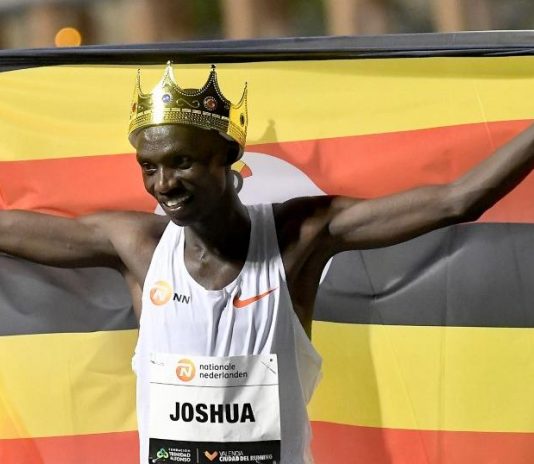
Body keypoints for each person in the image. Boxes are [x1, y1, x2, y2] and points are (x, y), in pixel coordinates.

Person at [2, 62, 534, 464]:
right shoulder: (137, 246)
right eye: (149, 166)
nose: (163, 184)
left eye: (181, 162)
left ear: (228, 157)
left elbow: (458, 200)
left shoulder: (297, 237)